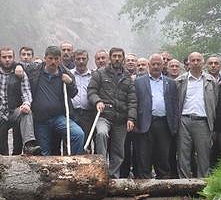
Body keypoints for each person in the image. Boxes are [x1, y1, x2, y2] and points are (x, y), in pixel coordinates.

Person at [26, 46, 84, 155]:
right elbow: (21, 65)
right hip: (40, 119)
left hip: (59, 118)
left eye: (56, 59)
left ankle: (76, 163)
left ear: (60, 59)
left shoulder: (66, 73)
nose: (53, 62)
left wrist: (70, 82)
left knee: (78, 134)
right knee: (44, 152)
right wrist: (19, 67)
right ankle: (45, 171)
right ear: (45, 58)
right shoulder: (35, 70)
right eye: (50, 58)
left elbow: (73, 93)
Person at [87, 47, 136, 177]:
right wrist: (97, 101)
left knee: (119, 151)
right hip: (104, 116)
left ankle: (113, 177)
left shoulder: (127, 77)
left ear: (123, 58)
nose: (117, 58)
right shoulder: (99, 74)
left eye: (119, 56)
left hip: (121, 119)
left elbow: (132, 100)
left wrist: (131, 118)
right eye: (114, 56)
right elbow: (91, 91)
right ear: (110, 58)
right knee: (101, 134)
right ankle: (101, 169)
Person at [0, 47, 41, 155]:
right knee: (0, 153)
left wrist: (26, 104)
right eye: (4, 57)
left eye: (10, 57)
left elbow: (26, 92)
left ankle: (29, 144)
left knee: (26, 112)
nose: (7, 60)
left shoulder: (20, 73)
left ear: (14, 58)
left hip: (12, 112)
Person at [134, 54, 179, 179]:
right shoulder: (138, 82)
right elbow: (134, 103)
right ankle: (145, 183)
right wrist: (135, 122)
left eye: (158, 64)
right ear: (149, 65)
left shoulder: (170, 83)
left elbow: (175, 105)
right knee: (144, 155)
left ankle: (164, 182)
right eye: (153, 64)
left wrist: (174, 126)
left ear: (163, 65)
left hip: (164, 123)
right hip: (145, 123)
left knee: (163, 155)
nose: (155, 66)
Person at [175, 52, 218, 178]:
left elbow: (216, 101)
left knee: (203, 155)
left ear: (203, 62)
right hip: (184, 120)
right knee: (183, 154)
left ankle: (202, 184)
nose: (195, 62)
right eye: (192, 60)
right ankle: (184, 184)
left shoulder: (211, 81)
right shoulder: (180, 81)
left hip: (203, 121)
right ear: (188, 63)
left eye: (198, 60)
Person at [70, 49, 95, 150]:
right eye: (78, 59)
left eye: (83, 59)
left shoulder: (94, 75)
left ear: (87, 59)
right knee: (70, 141)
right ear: (74, 60)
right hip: (71, 113)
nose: (81, 61)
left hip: (87, 114)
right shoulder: (68, 74)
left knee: (86, 142)